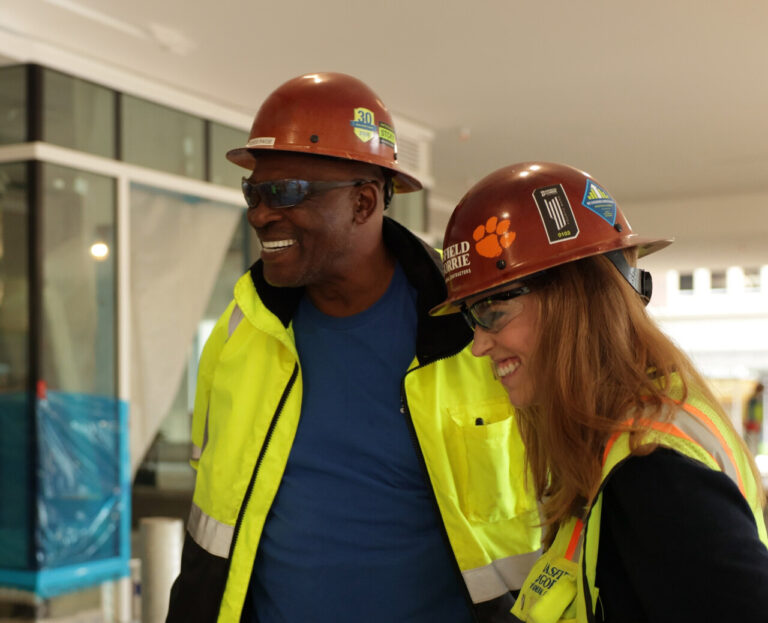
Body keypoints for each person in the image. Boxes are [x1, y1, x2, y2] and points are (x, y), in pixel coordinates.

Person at [166, 73, 542, 622]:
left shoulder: (477, 335)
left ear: (364, 202)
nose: (260, 212)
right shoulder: (240, 331)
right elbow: (215, 516)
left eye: (285, 191)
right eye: (254, 191)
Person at [431, 162, 768, 622]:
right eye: (470, 316)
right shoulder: (619, 442)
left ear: (577, 298)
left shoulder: (653, 475)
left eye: (491, 309)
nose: (477, 344)